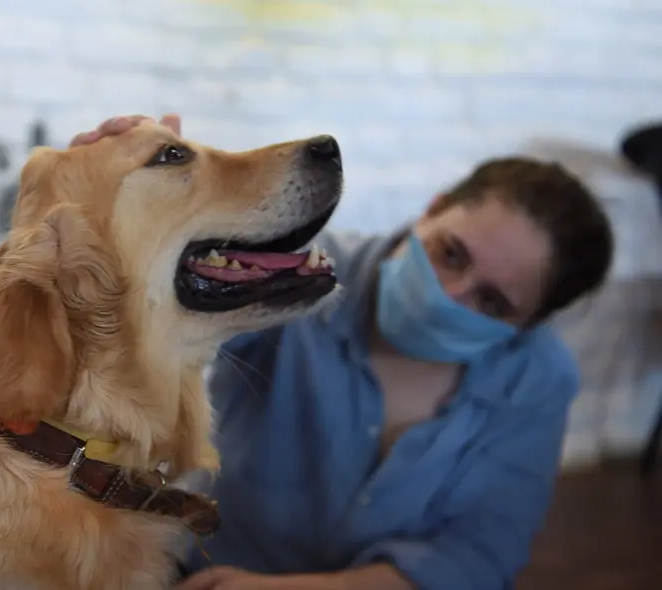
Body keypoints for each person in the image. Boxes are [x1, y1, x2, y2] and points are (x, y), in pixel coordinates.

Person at [69, 115, 615, 590]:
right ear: (435, 207)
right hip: (208, 568)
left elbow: (479, 553)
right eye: (450, 253)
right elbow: (139, 333)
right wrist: (127, 218)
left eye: (491, 301)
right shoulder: (299, 275)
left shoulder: (540, 377)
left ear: (528, 326)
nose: (451, 293)